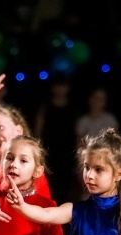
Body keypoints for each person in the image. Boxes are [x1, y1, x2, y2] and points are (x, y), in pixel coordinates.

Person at [34, 73, 80, 205]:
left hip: (67, 153)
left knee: (65, 189)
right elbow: (38, 130)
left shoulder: (73, 107)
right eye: (58, 86)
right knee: (50, 188)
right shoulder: (46, 106)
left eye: (63, 86)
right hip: (49, 152)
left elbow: (77, 132)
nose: (60, 89)